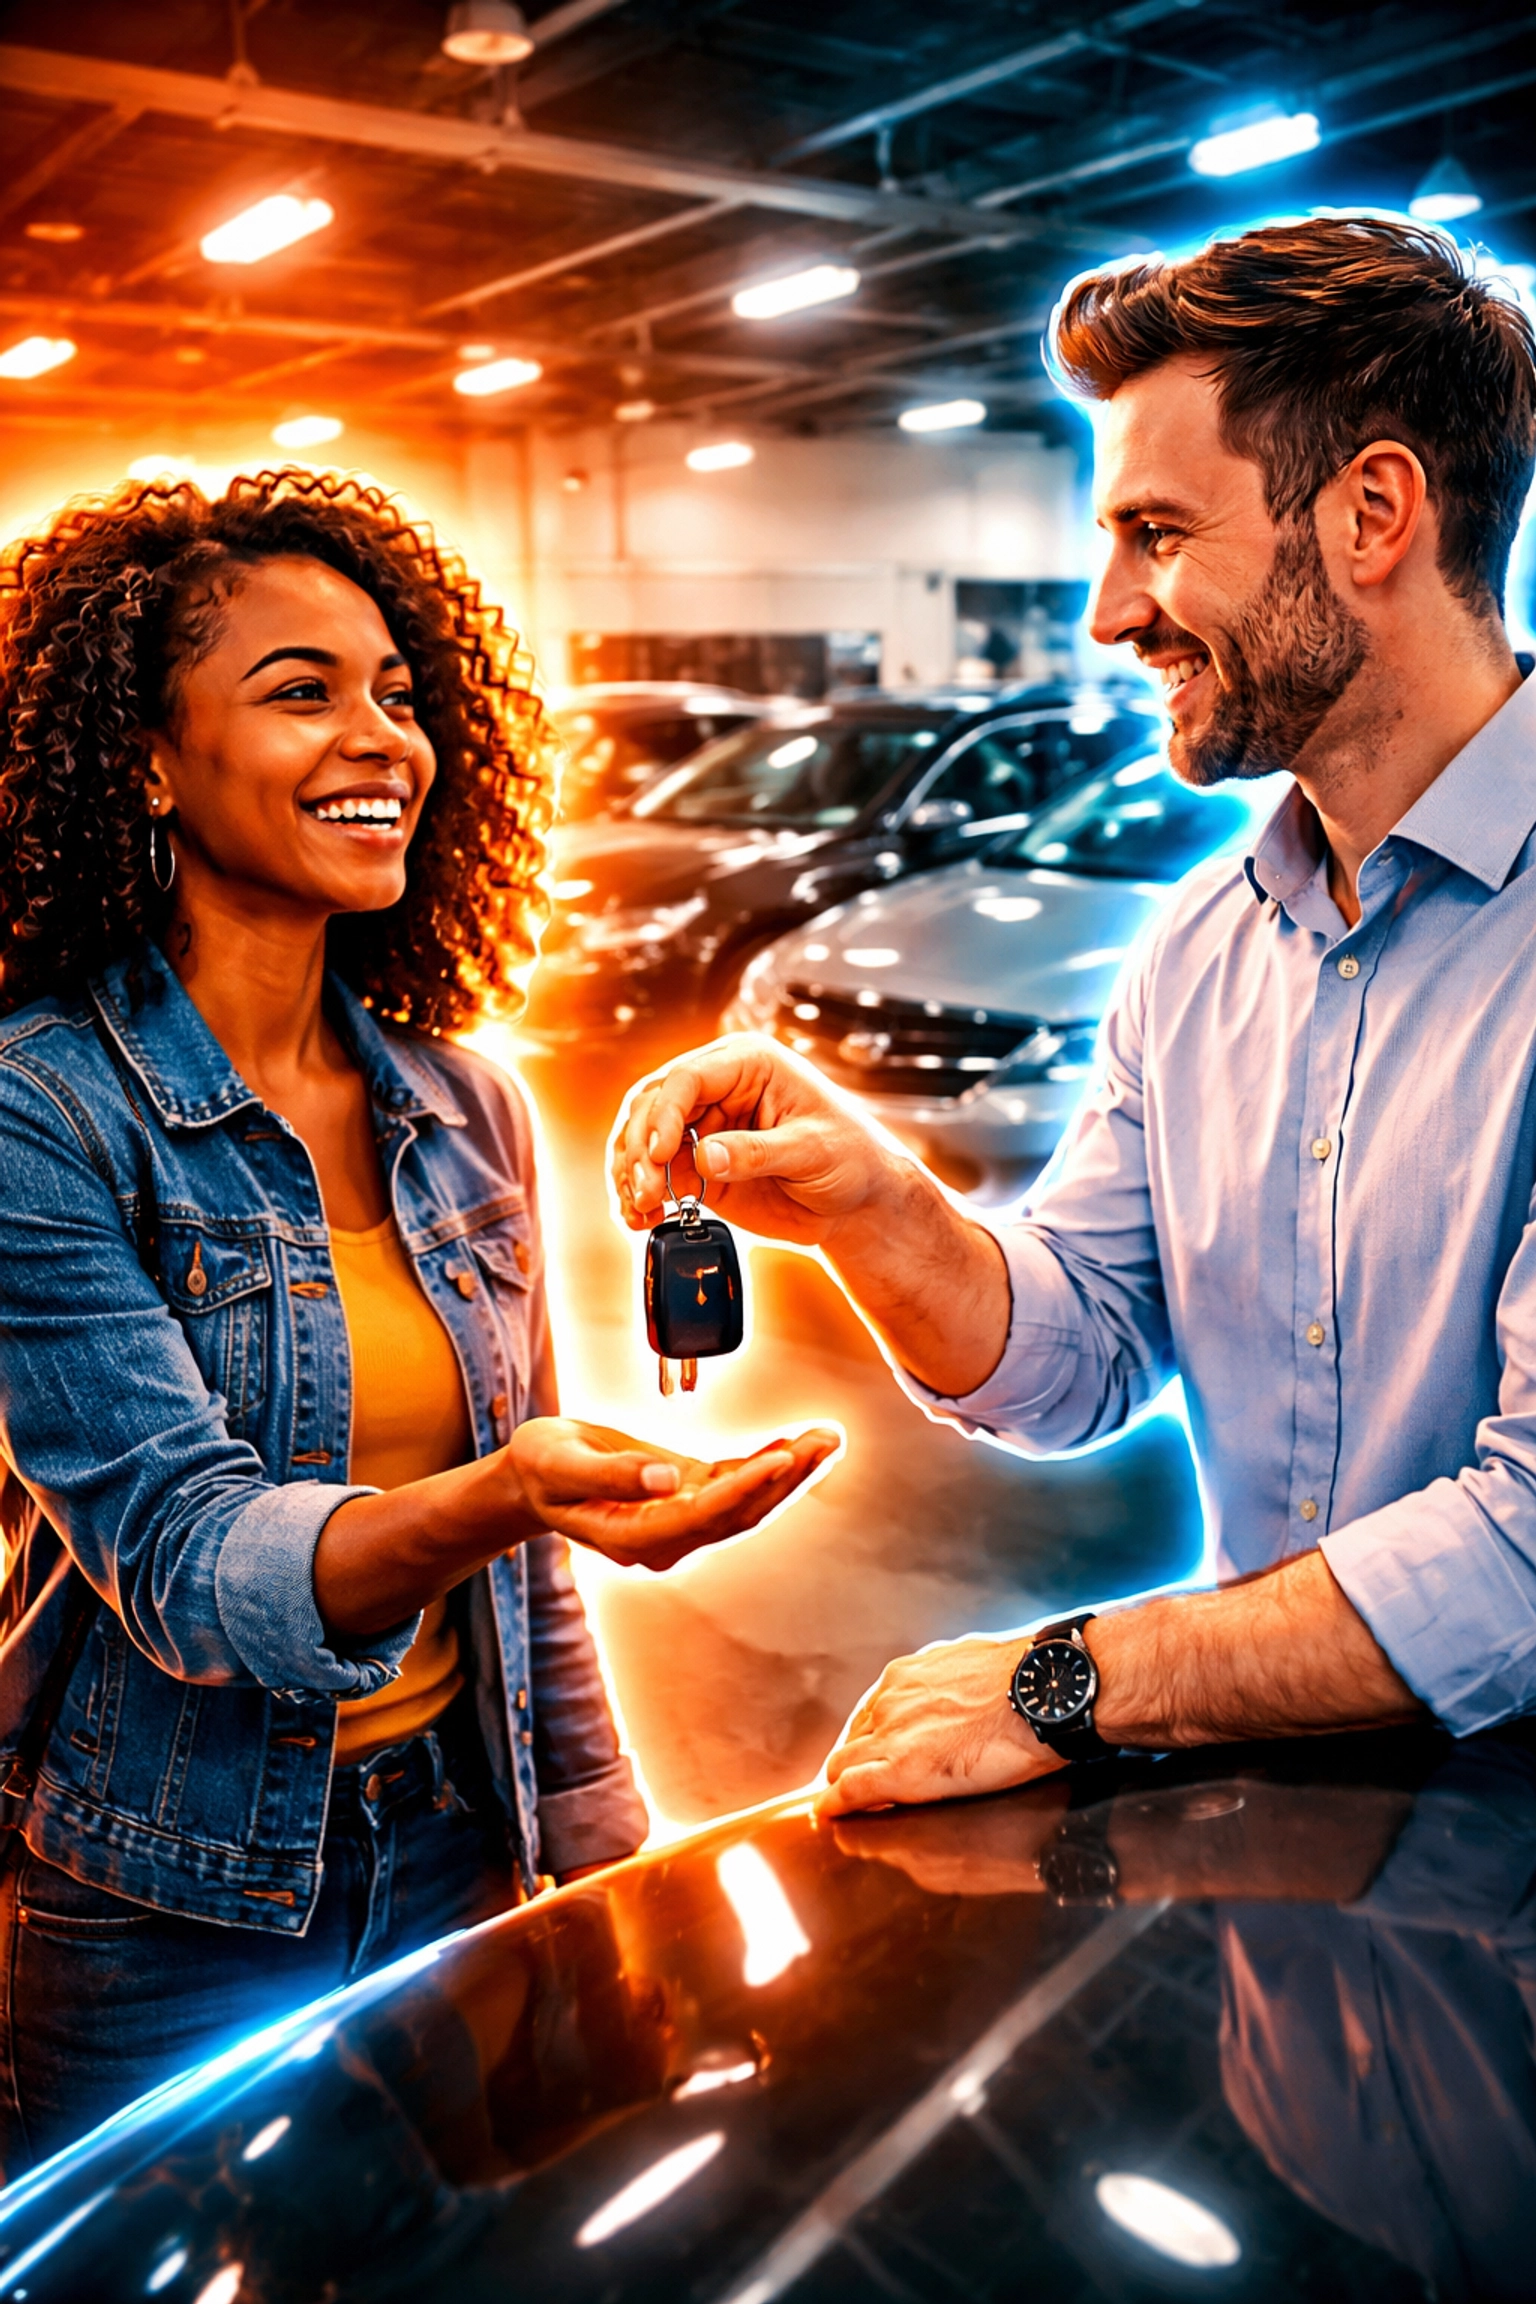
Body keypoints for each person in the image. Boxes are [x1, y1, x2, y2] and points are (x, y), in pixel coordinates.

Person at [613, 215, 1536, 1813]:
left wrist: (1079, 1683)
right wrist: (875, 1203)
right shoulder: (1204, 949)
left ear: (1375, 511)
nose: (1113, 613)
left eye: (1160, 532)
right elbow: (1079, 1356)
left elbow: (1523, 1556)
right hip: (1281, 1889)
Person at [0, 467, 834, 2171]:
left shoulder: (467, 1104)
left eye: (398, 691)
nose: (384, 737)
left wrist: (612, 1869)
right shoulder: (43, 1110)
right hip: (164, 1902)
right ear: (145, 761)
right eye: (301, 692)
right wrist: (511, 1491)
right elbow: (181, 1558)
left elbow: (530, 1584)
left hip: (460, 1845)